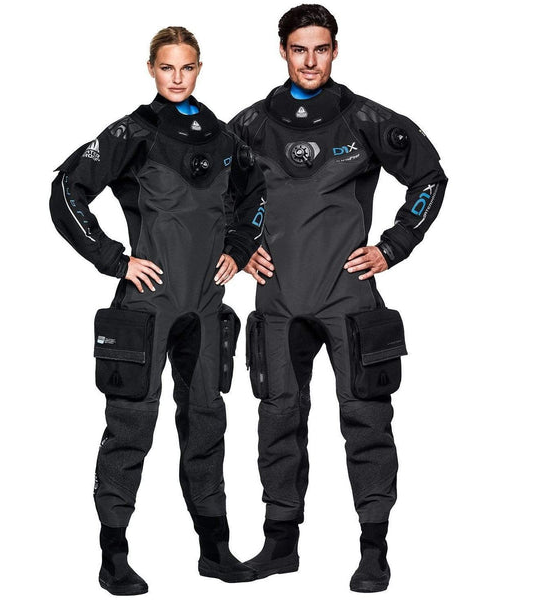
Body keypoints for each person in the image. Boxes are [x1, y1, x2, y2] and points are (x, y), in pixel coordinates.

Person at [229, 4, 447, 593]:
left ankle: (374, 549)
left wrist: (394, 246)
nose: (310, 61)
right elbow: (211, 193)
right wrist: (241, 247)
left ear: (334, 50)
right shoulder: (250, 125)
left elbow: (429, 176)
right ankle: (280, 545)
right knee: (277, 417)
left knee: (366, 418)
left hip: (349, 297)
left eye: (320, 49)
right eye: (299, 49)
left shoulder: (365, 120)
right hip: (278, 299)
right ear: (282, 50)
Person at [50, 26, 266, 595]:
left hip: (205, 305)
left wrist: (239, 248)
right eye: (167, 67)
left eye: (187, 67)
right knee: (130, 427)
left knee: (207, 422)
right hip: (145, 307)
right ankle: (113, 555)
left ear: (199, 68)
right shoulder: (133, 133)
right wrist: (114, 260)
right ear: (151, 68)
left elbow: (256, 194)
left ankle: (214, 550)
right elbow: (67, 191)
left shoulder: (224, 138)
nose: (177, 77)